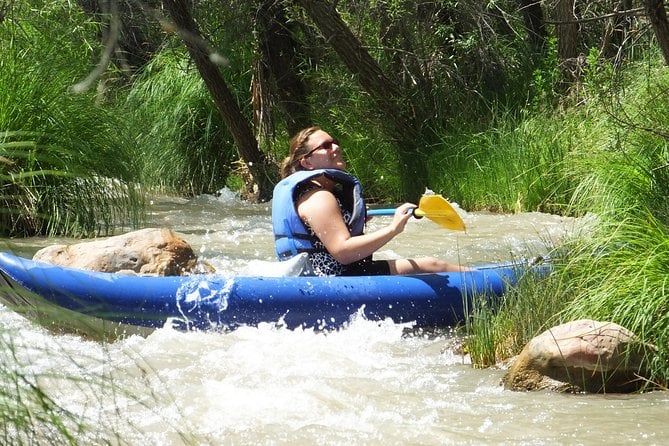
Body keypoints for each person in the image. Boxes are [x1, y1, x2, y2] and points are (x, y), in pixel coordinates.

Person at [272, 126, 469, 276]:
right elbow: (343, 252)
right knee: (432, 265)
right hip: (337, 281)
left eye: (334, 142)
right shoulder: (319, 198)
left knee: (430, 264)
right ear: (307, 162)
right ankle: (492, 285)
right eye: (326, 146)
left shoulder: (314, 193)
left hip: (328, 276)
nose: (336, 147)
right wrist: (393, 229)